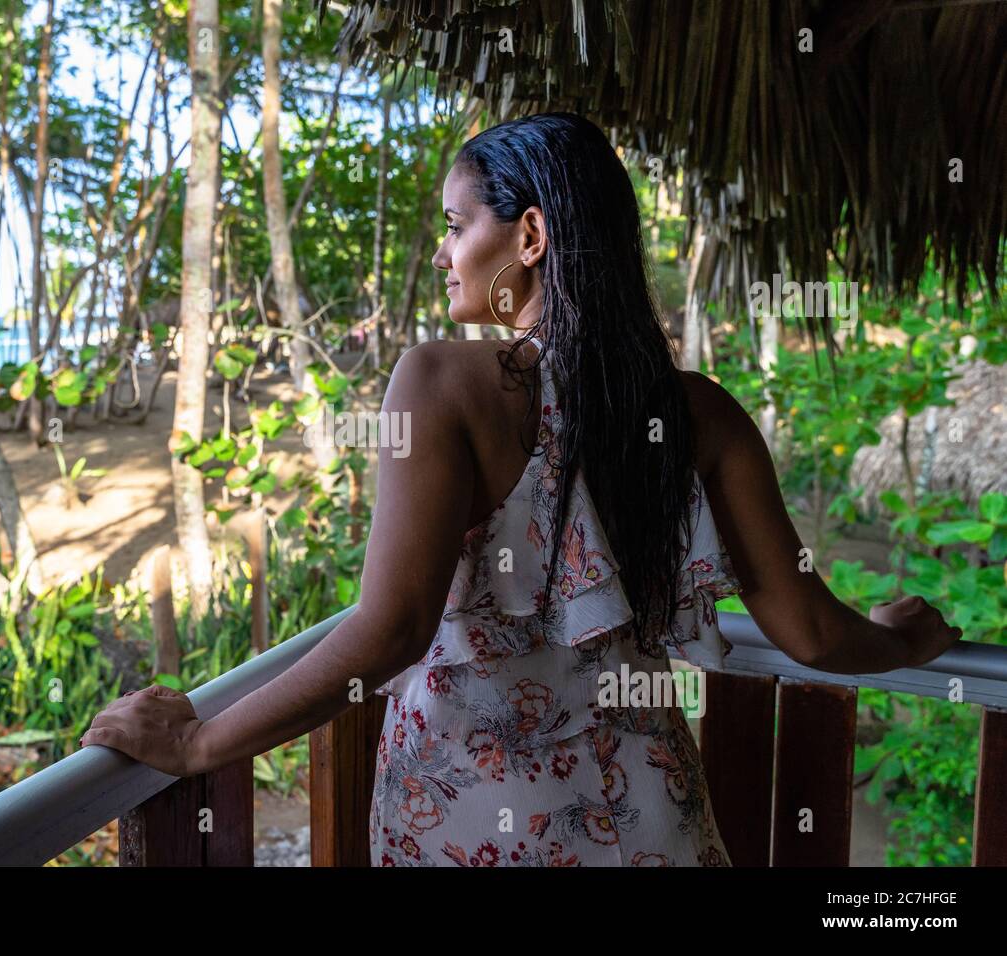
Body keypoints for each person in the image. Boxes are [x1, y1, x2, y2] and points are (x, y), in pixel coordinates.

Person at [79, 111, 963, 866]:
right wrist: (903, 642)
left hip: (466, 811)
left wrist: (199, 742)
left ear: (529, 237)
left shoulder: (438, 383)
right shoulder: (701, 413)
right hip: (643, 812)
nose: (442, 252)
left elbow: (389, 629)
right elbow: (807, 631)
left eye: (457, 225)